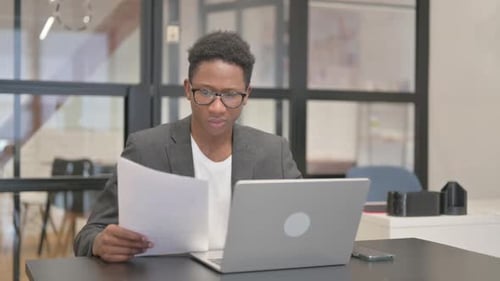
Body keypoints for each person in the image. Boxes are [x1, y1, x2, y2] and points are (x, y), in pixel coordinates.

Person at [74, 31, 302, 262]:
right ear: (187, 89)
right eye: (205, 92)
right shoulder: (146, 148)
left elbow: (305, 224)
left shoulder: (274, 152)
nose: (217, 108)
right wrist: (100, 243)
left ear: (246, 95)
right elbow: (87, 236)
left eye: (230, 95)